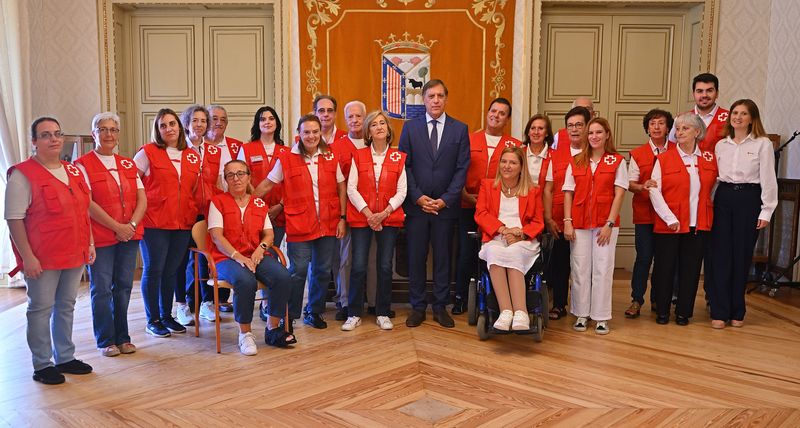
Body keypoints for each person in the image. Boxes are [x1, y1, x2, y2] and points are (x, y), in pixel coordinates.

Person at [6, 117, 95, 384]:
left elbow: (84, 211)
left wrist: (89, 242)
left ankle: (65, 357)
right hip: (42, 257)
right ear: (34, 141)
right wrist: (27, 257)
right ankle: (42, 364)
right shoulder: (22, 174)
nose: (54, 139)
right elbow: (14, 219)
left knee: (66, 306)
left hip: (74, 251)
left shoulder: (75, 171)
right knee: (41, 308)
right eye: (45, 135)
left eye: (57, 133)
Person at [254, 114, 347, 330]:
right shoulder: (286, 158)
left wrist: (342, 218)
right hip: (299, 224)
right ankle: (292, 314)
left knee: (323, 270)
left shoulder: (330, 156)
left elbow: (341, 187)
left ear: (320, 133)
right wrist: (246, 203)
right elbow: (268, 184)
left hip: (328, 223)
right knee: (299, 270)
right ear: (299, 133)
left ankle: (314, 311)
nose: (312, 136)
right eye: (307, 132)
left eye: (315, 131)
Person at [398, 79, 470, 328]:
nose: (436, 100)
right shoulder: (410, 128)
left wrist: (445, 200)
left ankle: (440, 307)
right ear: (424, 100)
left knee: (442, 258)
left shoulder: (459, 129)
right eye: (431, 96)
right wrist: (417, 197)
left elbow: (462, 169)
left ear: (446, 99)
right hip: (417, 207)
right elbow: (403, 166)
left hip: (445, 208)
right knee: (416, 258)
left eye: (440, 96)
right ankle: (417, 307)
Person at [75, 112, 146, 357]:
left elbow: (142, 198)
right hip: (102, 237)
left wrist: (131, 225)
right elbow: (88, 202)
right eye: (102, 129)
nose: (108, 134)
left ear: (118, 134)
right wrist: (118, 227)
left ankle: (123, 337)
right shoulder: (82, 165)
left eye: (113, 130)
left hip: (129, 235)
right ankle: (106, 339)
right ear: (94, 134)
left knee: (124, 286)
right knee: (102, 288)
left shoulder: (128, 163)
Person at [208, 160, 294, 355]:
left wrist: (259, 250)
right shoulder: (218, 202)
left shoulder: (258, 203)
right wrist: (238, 257)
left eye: (240, 174)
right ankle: (245, 334)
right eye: (231, 175)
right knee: (245, 280)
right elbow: (216, 236)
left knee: (282, 276)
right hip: (225, 258)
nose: (236, 178)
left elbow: (269, 235)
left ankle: (273, 329)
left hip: (255, 255)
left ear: (249, 177)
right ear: (225, 179)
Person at [710, 99, 777, 328]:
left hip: (749, 199)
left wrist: (766, 210)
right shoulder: (721, 145)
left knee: (741, 255)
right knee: (721, 256)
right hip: (724, 198)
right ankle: (719, 311)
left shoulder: (762, 144)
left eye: (743, 113)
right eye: (734, 112)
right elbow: (714, 180)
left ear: (752, 118)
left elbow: (769, 178)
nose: (737, 117)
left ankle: (737, 310)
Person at [133, 108, 199, 337]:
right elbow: (132, 184)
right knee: (154, 270)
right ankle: (153, 319)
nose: (169, 129)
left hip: (182, 223)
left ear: (180, 127)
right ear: (158, 130)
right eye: (163, 125)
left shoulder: (191, 155)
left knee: (171, 270)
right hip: (155, 222)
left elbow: (194, 189)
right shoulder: (147, 153)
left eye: (172, 124)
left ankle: (166, 315)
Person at [647, 113, 717, 326]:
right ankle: (662, 311)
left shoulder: (708, 158)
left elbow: (714, 189)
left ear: (697, 132)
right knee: (665, 270)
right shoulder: (663, 158)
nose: (679, 133)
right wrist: (670, 218)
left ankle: (683, 312)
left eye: (685, 128)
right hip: (670, 225)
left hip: (698, 224)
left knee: (691, 270)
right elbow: (653, 191)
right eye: (677, 129)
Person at [454, 98, 520, 316]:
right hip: (467, 204)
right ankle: (462, 297)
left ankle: (494, 300)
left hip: (498, 210)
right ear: (487, 112)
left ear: (507, 119)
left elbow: (517, 178)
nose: (496, 115)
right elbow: (458, 170)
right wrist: (464, 194)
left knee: (497, 253)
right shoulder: (469, 139)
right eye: (493, 111)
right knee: (466, 253)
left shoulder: (515, 145)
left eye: (502, 113)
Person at [562, 117, 627, 335]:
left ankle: (600, 316)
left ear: (607, 134)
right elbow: (568, 193)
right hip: (579, 223)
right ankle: (581, 313)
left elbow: (619, 195)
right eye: (591, 133)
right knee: (580, 269)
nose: (594, 136)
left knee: (603, 269)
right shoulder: (576, 161)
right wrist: (568, 222)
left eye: (599, 132)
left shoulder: (617, 161)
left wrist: (609, 223)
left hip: (605, 225)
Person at [343, 110, 407, 331]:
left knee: (384, 265)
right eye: (374, 124)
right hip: (363, 218)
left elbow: (402, 191)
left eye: (383, 123)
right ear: (368, 131)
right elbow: (351, 188)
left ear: (388, 130)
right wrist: (369, 213)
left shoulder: (399, 157)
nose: (379, 127)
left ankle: (382, 312)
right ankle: (353, 313)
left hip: (389, 219)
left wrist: (384, 213)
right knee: (358, 265)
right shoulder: (358, 156)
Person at [475, 147, 544, 331]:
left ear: (521, 167)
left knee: (514, 251)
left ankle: (520, 312)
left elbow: (538, 222)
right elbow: (480, 214)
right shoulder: (488, 185)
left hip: (523, 240)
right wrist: (502, 229)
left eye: (513, 162)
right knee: (494, 251)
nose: (507, 166)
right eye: (504, 162)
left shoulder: (532, 190)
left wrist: (520, 233)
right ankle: (506, 311)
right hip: (495, 236)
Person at [174, 104, 224, 326]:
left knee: (206, 258)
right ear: (186, 123)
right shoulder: (177, 150)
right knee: (181, 259)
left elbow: (220, 180)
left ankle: (206, 302)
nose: (200, 125)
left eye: (204, 121)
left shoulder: (215, 151)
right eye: (195, 120)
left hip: (208, 212)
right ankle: (182, 305)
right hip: (183, 212)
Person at [240, 106, 289, 321]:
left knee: (271, 254)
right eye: (262, 119)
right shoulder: (247, 149)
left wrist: (279, 205)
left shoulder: (287, 151)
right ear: (257, 124)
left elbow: (292, 183)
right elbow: (243, 179)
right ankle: (259, 299)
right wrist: (258, 204)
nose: (267, 122)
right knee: (256, 253)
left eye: (271, 118)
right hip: (254, 214)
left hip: (279, 212)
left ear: (277, 123)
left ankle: (269, 302)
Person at [542, 107, 591, 320]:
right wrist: (548, 218)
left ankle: (586, 308)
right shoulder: (556, 156)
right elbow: (548, 189)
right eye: (570, 125)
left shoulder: (594, 154)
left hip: (588, 219)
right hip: (560, 219)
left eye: (579, 125)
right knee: (560, 264)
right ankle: (560, 304)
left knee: (585, 266)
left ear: (588, 126)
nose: (574, 129)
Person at [625, 109, 674, 318]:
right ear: (647, 128)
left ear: (668, 128)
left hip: (670, 215)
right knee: (644, 258)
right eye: (652, 123)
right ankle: (636, 300)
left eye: (661, 123)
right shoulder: (638, 153)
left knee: (665, 260)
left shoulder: (678, 151)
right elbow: (629, 183)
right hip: (645, 214)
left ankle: (659, 300)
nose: (656, 127)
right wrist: (642, 187)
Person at [330, 100, 366, 321]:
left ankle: (369, 301)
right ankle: (344, 301)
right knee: (345, 259)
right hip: (345, 209)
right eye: (350, 117)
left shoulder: (374, 142)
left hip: (371, 211)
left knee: (369, 259)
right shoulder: (336, 147)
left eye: (358, 116)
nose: (354, 120)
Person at [670, 73, 729, 152]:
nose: (704, 95)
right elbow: (672, 147)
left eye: (709, 90)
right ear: (693, 94)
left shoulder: (730, 119)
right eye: (700, 91)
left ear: (717, 93)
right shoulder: (681, 119)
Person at [523, 114, 554, 188]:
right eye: (533, 128)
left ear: (546, 133)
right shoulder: (519, 153)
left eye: (540, 128)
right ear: (528, 132)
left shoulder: (555, 155)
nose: (536, 132)